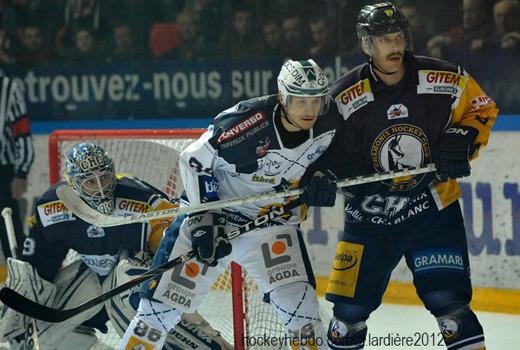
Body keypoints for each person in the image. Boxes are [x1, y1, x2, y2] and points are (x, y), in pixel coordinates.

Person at [310, 3, 499, 350]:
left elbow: (482, 108)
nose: (395, 46)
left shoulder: (444, 79)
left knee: (451, 305)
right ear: (367, 45)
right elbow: (318, 150)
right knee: (348, 313)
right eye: (384, 40)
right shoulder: (342, 96)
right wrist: (320, 175)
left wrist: (465, 138)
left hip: (432, 211)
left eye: (398, 37)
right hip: (365, 217)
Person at [118, 59, 340, 350]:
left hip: (270, 224)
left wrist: (323, 178)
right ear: (283, 96)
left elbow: (333, 159)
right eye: (300, 100)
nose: (310, 110)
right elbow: (193, 159)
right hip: (213, 219)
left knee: (303, 315)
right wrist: (205, 216)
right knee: (157, 315)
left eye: (316, 100)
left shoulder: (329, 121)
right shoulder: (250, 121)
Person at [0, 143, 232, 350]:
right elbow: (39, 263)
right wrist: (23, 299)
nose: (101, 188)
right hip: (92, 275)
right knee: (34, 337)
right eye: (91, 181)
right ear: (73, 183)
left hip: (137, 274)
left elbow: (174, 239)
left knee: (132, 289)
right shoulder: (52, 207)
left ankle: (206, 343)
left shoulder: (141, 199)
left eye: (105, 178)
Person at [0, 76, 34, 278]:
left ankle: (24, 278)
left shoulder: (8, 86)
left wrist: (21, 171)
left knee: (8, 228)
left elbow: (22, 131)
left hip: (3, 169)